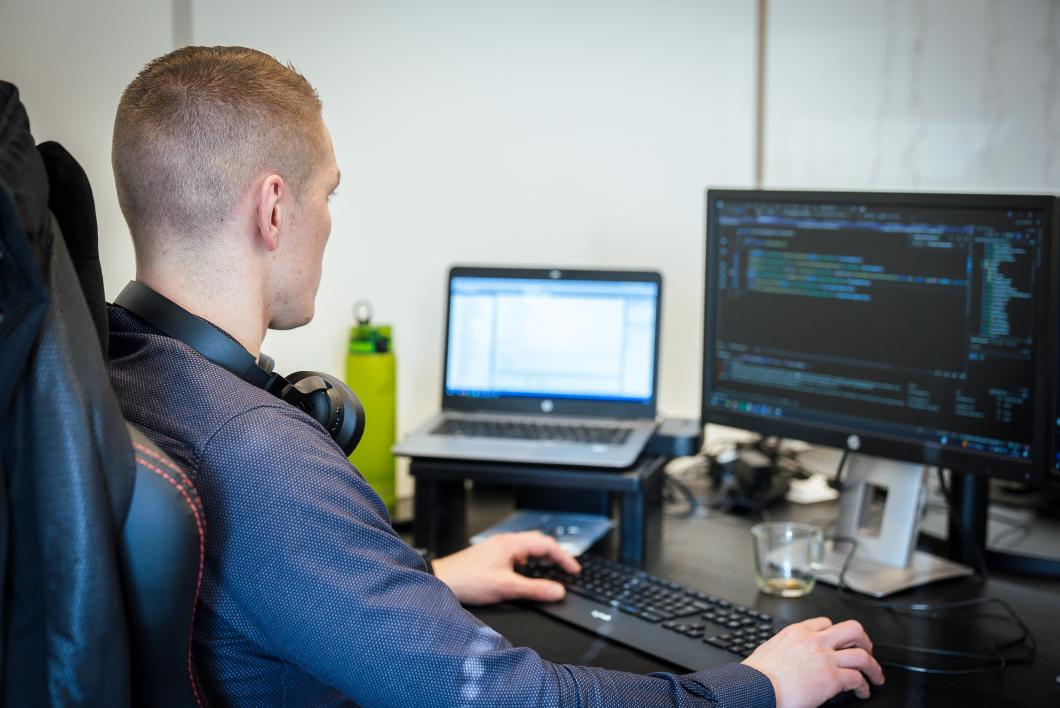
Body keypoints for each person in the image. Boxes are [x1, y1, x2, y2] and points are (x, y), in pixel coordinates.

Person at [106, 46, 884, 707]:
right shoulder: (259, 452)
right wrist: (759, 685)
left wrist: (427, 578)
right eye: (328, 193)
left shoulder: (116, 364)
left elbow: (265, 585)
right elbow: (514, 698)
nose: (330, 217)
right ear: (274, 209)